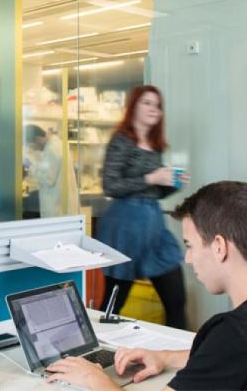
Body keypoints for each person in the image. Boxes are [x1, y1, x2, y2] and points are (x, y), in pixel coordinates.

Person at [46, 181, 247, 391]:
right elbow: (232, 361)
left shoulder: (236, 334)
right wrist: (166, 358)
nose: (187, 258)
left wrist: (93, 378)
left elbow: (233, 351)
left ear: (219, 247)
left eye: (190, 245)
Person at [97, 85, 188, 330]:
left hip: (152, 224)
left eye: (157, 105)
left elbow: (153, 191)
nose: (153, 109)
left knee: (176, 299)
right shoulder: (121, 140)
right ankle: (92, 349)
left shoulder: (156, 144)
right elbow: (110, 186)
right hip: (125, 226)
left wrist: (171, 183)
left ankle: (181, 357)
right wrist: (153, 178)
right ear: (134, 106)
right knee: (113, 303)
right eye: (147, 103)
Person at [24, 124, 79, 218]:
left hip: (57, 208)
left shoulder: (52, 149)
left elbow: (48, 179)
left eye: (31, 146)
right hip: (61, 206)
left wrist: (30, 166)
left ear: (37, 139)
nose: (32, 149)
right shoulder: (57, 145)